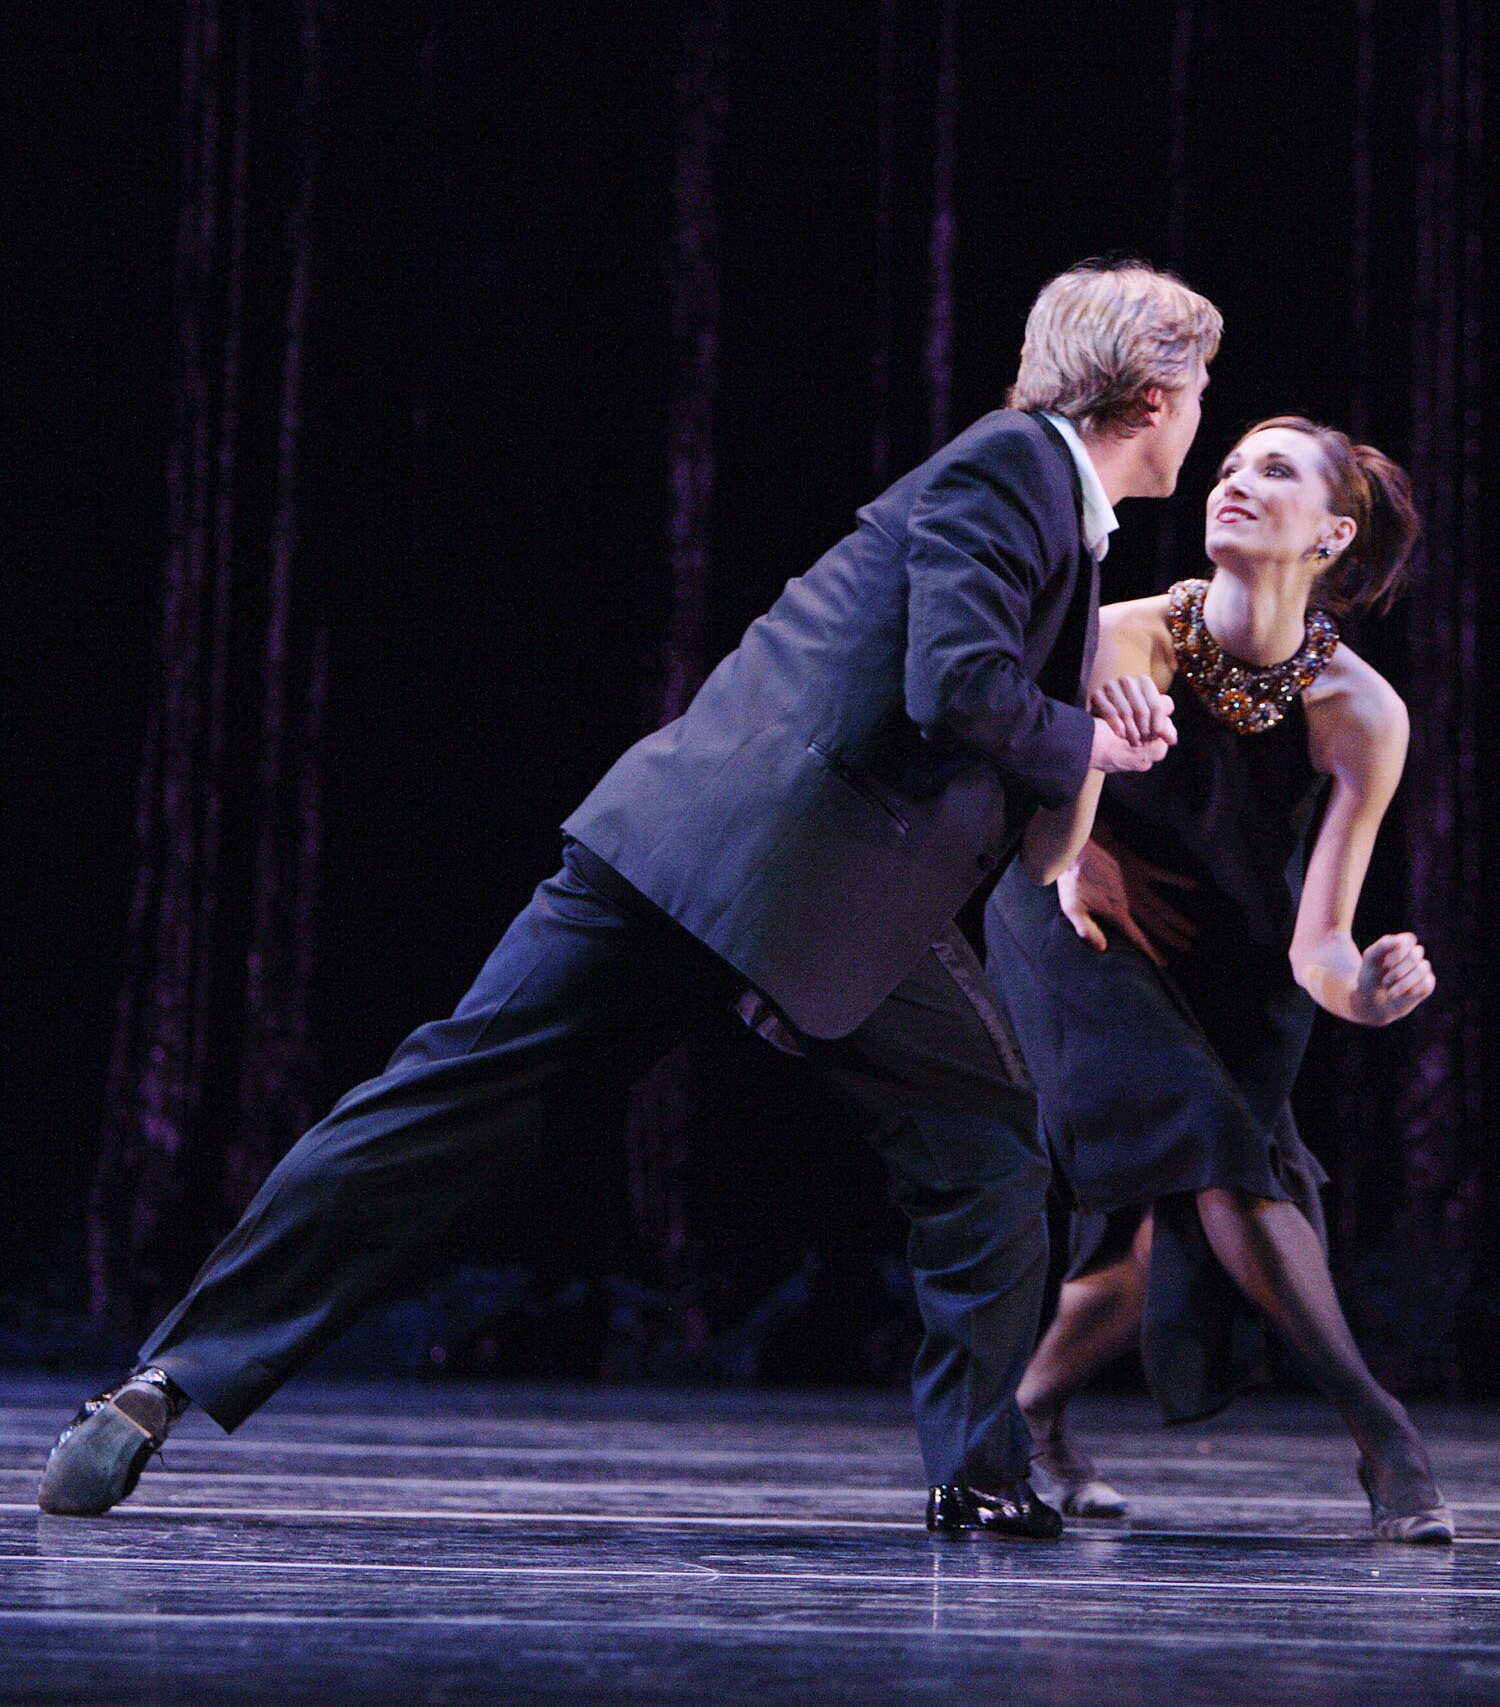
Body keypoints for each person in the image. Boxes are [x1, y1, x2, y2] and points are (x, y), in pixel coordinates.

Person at [41, 258, 1215, 1537]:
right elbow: (955, 690)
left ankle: (156, 1382)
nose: (1205, 408)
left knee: (444, 1102)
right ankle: (980, 1478)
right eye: (1202, 382)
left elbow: (973, 674)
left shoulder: (1025, 489)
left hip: (674, 844)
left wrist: (1079, 717)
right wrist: (1088, 742)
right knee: (988, 1153)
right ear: (1153, 395)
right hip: (801, 873)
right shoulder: (1013, 471)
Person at [986, 414, 1452, 1543]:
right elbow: (1044, 829)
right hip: (1076, 923)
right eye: (1232, 463)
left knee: (1175, 1227)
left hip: (1239, 957)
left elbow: (1320, 946)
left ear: (1331, 535)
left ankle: (1031, 1413)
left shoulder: (1362, 711)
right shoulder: (1125, 637)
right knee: (1217, 1160)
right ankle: (1387, 1437)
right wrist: (1084, 832)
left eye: (1275, 471)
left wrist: (1368, 995)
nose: (1235, 480)